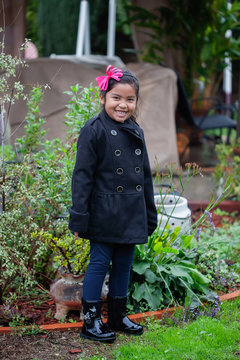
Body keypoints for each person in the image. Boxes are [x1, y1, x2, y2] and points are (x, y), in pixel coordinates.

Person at [69, 65, 157, 343]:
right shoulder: (93, 131)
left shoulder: (136, 131)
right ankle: (91, 321)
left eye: (129, 99)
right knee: (99, 264)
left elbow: (144, 176)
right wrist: (79, 216)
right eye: (116, 98)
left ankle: (117, 316)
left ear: (136, 102)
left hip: (130, 211)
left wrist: (148, 212)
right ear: (103, 98)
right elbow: (81, 177)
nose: (123, 105)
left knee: (123, 264)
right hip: (104, 212)